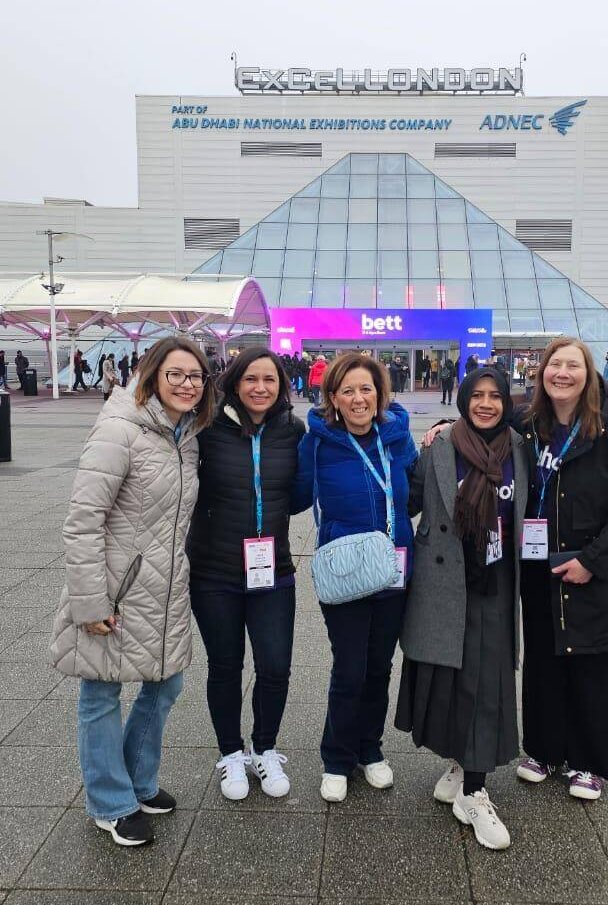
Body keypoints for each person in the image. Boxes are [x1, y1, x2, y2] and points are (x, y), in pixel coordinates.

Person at [49, 337, 215, 846]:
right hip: (114, 588)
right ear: (151, 375)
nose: (187, 384)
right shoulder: (119, 428)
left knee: (166, 683)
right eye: (175, 374)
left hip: (164, 588)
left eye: (195, 376)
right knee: (101, 691)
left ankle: (138, 781)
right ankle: (110, 802)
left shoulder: (187, 435)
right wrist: (90, 601)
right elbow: (83, 520)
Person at [517, 337, 608, 801]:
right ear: (541, 373)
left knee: (593, 666)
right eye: (554, 364)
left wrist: (592, 561)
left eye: (572, 365)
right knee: (543, 661)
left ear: (589, 374)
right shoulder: (530, 426)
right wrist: (442, 426)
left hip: (593, 570)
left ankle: (589, 762)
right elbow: (482, 425)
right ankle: (543, 750)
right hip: (540, 566)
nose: (562, 373)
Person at [396, 368, 528, 850]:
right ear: (464, 400)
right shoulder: (441, 446)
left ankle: (474, 790)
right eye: (478, 395)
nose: (486, 404)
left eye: (495, 396)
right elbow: (406, 499)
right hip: (447, 582)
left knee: (487, 682)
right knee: (453, 679)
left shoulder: (519, 448)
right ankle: (460, 762)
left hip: (497, 583)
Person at [294, 353, 418, 802]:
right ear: (333, 397)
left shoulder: (398, 437)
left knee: (380, 666)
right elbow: (293, 497)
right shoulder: (318, 442)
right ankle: (337, 758)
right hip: (345, 568)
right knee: (350, 667)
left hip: (393, 567)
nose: (358, 398)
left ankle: (370, 749)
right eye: (347, 390)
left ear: (380, 394)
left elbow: (416, 490)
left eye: (366, 389)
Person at [188, 348, 306, 802]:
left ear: (281, 385)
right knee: (225, 666)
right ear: (235, 382)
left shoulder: (292, 430)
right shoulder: (206, 427)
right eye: (251, 379)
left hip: (272, 569)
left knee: (275, 666)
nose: (260, 387)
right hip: (214, 571)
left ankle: (264, 748)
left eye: (269, 379)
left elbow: (299, 494)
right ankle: (231, 753)